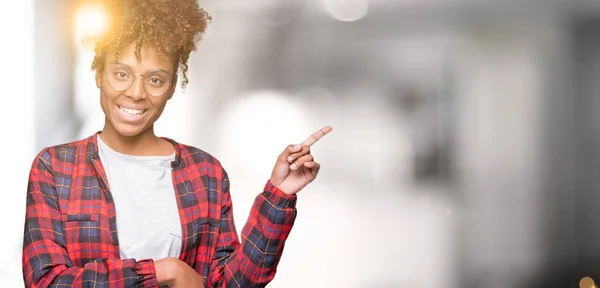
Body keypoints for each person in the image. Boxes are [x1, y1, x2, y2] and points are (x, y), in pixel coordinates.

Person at [21, 0, 332, 287]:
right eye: (121, 74)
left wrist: (278, 196)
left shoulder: (205, 173)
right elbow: (45, 281)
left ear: (171, 86)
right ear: (99, 74)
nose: (136, 93)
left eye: (155, 79)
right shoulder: (55, 168)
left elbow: (232, 283)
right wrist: (163, 271)